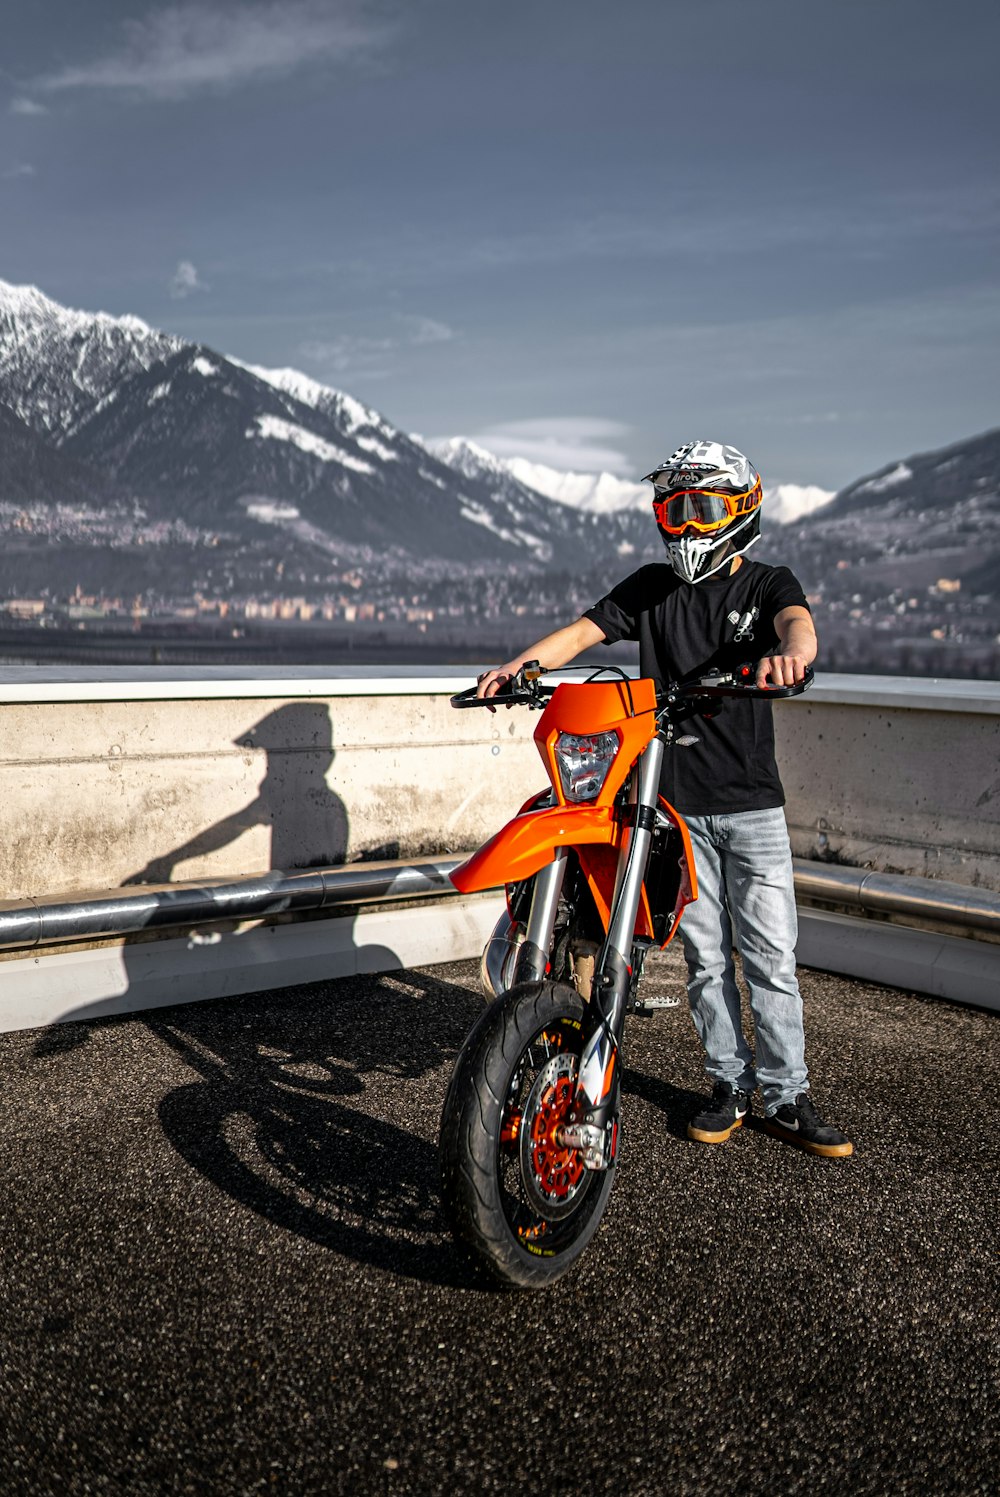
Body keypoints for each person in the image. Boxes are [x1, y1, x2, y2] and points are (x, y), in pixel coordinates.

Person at [477, 438, 852, 1160]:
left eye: (702, 507)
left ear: (741, 509)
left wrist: (794, 657)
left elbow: (797, 625)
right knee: (706, 957)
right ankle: (729, 1085)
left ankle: (785, 1095)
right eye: (673, 507)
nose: (686, 523)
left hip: (751, 804)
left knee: (771, 953)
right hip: (673, 810)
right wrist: (519, 666)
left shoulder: (765, 582)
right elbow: (583, 632)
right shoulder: (652, 586)